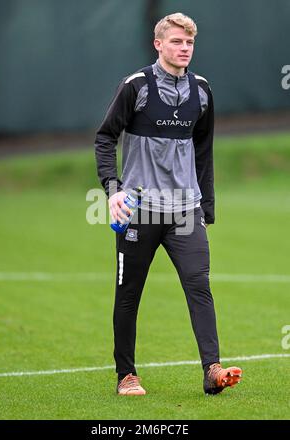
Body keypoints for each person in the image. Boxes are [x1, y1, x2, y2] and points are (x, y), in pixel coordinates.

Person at [95, 12, 242, 395]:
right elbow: (104, 138)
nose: (184, 49)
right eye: (176, 41)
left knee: (199, 285)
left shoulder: (202, 91)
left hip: (185, 210)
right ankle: (126, 375)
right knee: (129, 293)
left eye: (189, 42)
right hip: (139, 210)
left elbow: (204, 152)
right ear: (158, 44)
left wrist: (206, 207)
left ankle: (213, 370)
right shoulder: (136, 86)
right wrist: (113, 191)